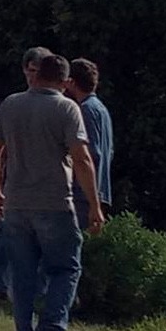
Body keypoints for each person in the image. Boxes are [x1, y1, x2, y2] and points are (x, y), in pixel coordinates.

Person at [0, 53, 104, 331]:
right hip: (54, 202)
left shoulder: (11, 104)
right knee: (66, 268)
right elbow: (82, 158)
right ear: (65, 82)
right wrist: (94, 204)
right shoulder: (67, 108)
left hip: (16, 203)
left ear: (35, 75)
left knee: (22, 277)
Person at [0, 45, 52, 300]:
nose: (34, 76)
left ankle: (35, 292)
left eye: (39, 71)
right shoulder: (13, 104)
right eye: (31, 71)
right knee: (8, 237)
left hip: (48, 189)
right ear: (25, 71)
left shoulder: (59, 106)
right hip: (17, 185)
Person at [65, 58, 113, 228]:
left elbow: (89, 153)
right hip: (100, 189)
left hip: (83, 194)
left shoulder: (84, 110)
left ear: (72, 82)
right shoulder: (101, 109)